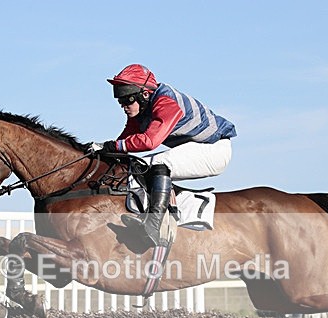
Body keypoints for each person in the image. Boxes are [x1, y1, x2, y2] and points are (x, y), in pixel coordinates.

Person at [91, 64, 237, 247]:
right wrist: (100, 150)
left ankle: (153, 225)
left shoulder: (166, 102)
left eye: (127, 100)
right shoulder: (141, 110)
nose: (123, 106)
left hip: (215, 149)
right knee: (137, 164)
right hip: (197, 146)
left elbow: (149, 142)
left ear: (144, 94)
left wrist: (114, 146)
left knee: (159, 162)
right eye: (120, 101)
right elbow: (125, 142)